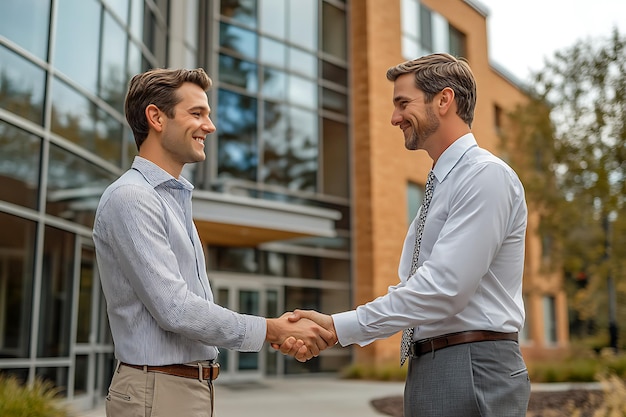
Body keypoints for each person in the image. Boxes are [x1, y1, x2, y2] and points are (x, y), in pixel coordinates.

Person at [284, 53, 530, 416]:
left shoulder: (484, 176)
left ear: (444, 100)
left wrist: (340, 327)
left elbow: (442, 287)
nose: (394, 117)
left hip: (471, 366)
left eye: (403, 103)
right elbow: (419, 284)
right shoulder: (441, 183)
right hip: (436, 363)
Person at [92, 67, 335, 417]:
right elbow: (175, 309)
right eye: (197, 113)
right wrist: (270, 329)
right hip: (158, 392)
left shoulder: (171, 202)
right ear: (156, 117)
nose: (210, 126)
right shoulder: (132, 198)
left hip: (182, 389)